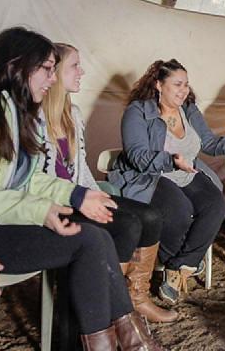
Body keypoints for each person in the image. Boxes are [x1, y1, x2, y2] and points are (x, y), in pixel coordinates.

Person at [0, 27, 162, 348]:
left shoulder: (10, 109)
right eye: (47, 69)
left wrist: (77, 194)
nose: (52, 79)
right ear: (18, 66)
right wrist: (41, 208)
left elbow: (26, 176)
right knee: (90, 240)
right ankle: (122, 343)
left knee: (97, 237)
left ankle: (130, 341)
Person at [108, 59, 225, 300]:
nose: (184, 90)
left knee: (215, 204)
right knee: (179, 211)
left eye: (186, 84)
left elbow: (209, 143)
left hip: (186, 171)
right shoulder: (137, 112)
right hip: (151, 176)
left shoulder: (189, 109)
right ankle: (180, 263)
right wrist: (171, 160)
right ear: (158, 85)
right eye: (178, 84)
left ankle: (178, 266)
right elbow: (138, 156)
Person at [38, 45, 174, 324]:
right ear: (54, 72)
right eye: (75, 66)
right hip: (55, 202)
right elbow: (37, 178)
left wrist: (96, 195)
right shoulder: (35, 116)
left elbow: (81, 171)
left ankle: (137, 297)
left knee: (150, 216)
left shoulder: (73, 113)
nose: (82, 71)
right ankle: (113, 307)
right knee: (127, 224)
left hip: (79, 194)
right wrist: (82, 198)